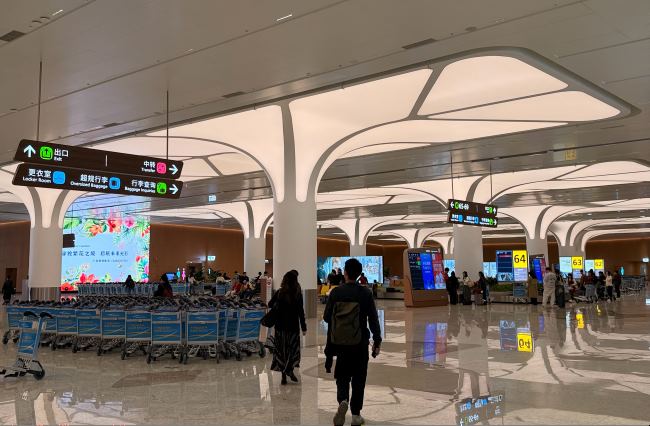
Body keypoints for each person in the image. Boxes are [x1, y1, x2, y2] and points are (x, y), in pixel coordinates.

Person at [324, 258, 381, 426]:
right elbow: (373, 319)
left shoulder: (336, 292)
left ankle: (343, 399)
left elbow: (327, 317)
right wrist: (377, 340)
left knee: (342, 376)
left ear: (345, 273)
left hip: (340, 343)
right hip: (360, 343)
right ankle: (356, 415)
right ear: (358, 274)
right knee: (359, 379)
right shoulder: (365, 293)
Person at [269, 271, 307, 385]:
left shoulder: (280, 292)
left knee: (282, 351)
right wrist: (303, 327)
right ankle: (289, 370)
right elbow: (301, 311)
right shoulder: (297, 293)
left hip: (280, 327)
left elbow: (270, 304)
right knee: (292, 350)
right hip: (293, 327)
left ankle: (284, 376)